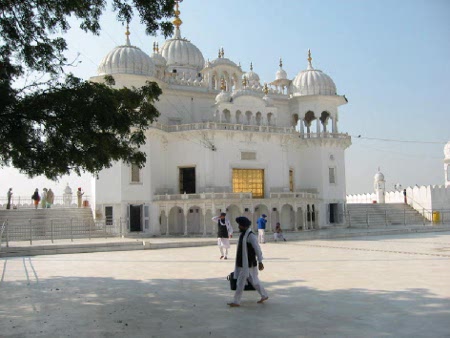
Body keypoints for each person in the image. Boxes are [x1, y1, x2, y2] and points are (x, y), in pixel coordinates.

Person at [227, 216, 268, 307]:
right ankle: (264, 295)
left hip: (247, 264)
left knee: (240, 282)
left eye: (240, 225)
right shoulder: (243, 234)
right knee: (254, 281)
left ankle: (236, 301)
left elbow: (257, 249)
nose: (239, 227)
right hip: (243, 263)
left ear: (244, 226)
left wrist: (260, 261)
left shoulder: (250, 236)